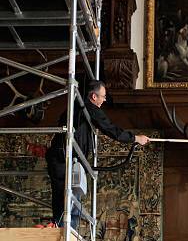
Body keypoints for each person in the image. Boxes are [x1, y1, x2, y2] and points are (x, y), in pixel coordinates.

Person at [45, 80, 149, 228]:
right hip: (63, 160)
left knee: (69, 200)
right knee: (67, 202)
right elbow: (110, 128)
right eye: (103, 96)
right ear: (94, 97)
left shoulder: (78, 109)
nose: (104, 100)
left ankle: (66, 232)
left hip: (63, 159)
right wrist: (135, 138)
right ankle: (63, 234)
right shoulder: (88, 108)